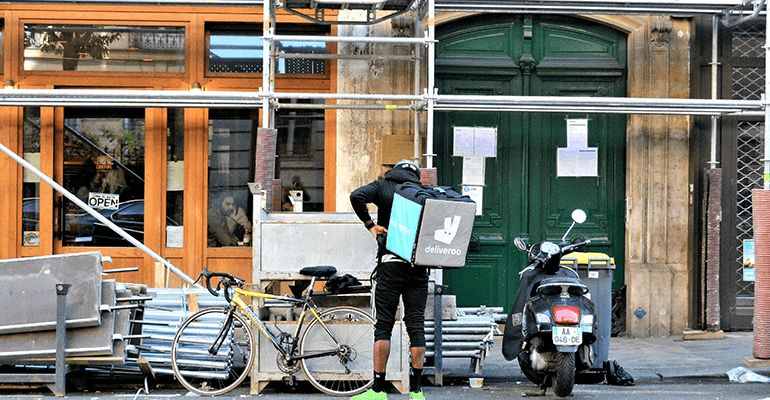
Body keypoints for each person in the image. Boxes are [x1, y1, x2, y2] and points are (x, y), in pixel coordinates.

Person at [349, 159, 429, 400]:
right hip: (418, 268)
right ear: (416, 175)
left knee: (383, 326)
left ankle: (378, 390)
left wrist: (370, 225)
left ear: (396, 171)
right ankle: (416, 390)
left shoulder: (383, 186)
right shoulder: (423, 193)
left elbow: (356, 196)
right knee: (416, 324)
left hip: (390, 266)